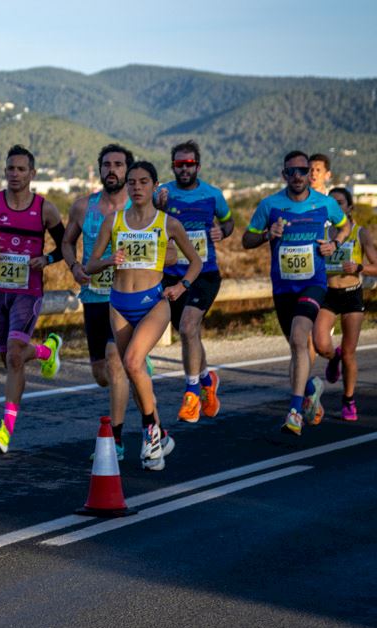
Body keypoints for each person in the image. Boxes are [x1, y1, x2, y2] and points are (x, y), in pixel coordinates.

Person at [85, 161, 203, 470]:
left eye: (143, 182)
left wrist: (182, 286)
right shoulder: (114, 221)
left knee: (133, 363)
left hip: (153, 303)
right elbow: (89, 265)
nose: (137, 187)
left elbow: (195, 262)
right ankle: (161, 434)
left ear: (154, 187)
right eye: (132, 182)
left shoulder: (167, 223)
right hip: (118, 304)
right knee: (135, 376)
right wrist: (109, 260)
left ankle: (151, 434)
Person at [0, 144, 64, 454]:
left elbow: (66, 246)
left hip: (28, 292)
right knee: (5, 356)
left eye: (21, 169)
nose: (15, 174)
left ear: (32, 173)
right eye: (10, 169)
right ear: (4, 171)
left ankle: (6, 430)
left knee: (14, 357)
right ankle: (46, 351)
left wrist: (46, 260)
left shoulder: (46, 209)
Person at [242, 150, 348, 435]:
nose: (298, 176)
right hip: (283, 287)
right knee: (296, 347)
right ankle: (311, 386)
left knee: (301, 337)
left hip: (313, 283)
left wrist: (334, 245)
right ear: (284, 175)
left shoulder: (325, 203)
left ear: (309, 174)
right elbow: (246, 240)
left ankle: (294, 411)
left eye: (303, 170)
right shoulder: (270, 205)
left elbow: (345, 225)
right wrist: (267, 235)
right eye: (292, 172)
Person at [63, 144, 135, 459]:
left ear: (128, 171)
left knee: (115, 360)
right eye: (106, 164)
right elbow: (67, 242)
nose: (112, 170)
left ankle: (116, 440)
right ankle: (138, 365)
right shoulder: (83, 207)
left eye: (118, 164)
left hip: (129, 297)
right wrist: (74, 266)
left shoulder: (140, 207)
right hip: (94, 297)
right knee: (101, 374)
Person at [155, 140, 233, 423]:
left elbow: (228, 222)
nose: (184, 168)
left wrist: (221, 232)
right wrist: (158, 209)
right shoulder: (161, 193)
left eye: (189, 164)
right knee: (189, 333)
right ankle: (207, 379)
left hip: (205, 273)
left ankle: (191, 395)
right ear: (173, 166)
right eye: (179, 164)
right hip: (173, 273)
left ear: (198, 166)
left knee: (188, 327)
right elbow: (148, 223)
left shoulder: (213, 195)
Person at [314, 187, 376, 421]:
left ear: (349, 207)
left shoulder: (360, 233)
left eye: (340, 203)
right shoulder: (323, 232)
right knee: (321, 344)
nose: (335, 207)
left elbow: (376, 265)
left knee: (350, 352)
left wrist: (358, 268)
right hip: (327, 293)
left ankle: (348, 400)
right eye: (331, 203)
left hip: (352, 293)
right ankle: (333, 357)